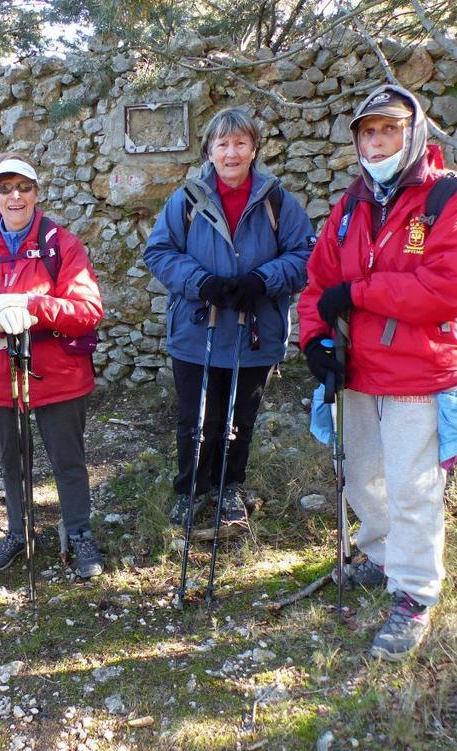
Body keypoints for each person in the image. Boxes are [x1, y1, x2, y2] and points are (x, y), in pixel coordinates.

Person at [297, 85, 457, 660]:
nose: (377, 141)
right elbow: (317, 284)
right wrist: (314, 341)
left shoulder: (452, 199)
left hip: (420, 372)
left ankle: (414, 593)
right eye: (367, 132)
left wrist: (355, 293)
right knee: (361, 477)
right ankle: (382, 556)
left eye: (389, 130)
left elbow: (447, 287)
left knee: (413, 489)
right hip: (359, 370)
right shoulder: (351, 205)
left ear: (414, 134)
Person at [143, 107, 313, 528]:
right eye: (223, 144)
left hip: (253, 330)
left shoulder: (277, 201)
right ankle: (191, 490)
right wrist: (202, 283)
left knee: (240, 418)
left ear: (254, 149)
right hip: (197, 327)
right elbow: (159, 252)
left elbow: (307, 255)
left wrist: (261, 280)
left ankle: (228, 487)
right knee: (195, 419)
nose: (231, 152)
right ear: (210, 150)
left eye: (240, 143)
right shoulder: (186, 199)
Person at [0, 152, 105, 578]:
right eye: (5, 188)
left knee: (67, 459)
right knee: (12, 461)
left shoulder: (61, 244)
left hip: (58, 373)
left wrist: (34, 306)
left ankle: (79, 532)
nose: (15, 196)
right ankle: (19, 530)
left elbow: (87, 309)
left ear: (36, 192)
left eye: (24, 187)